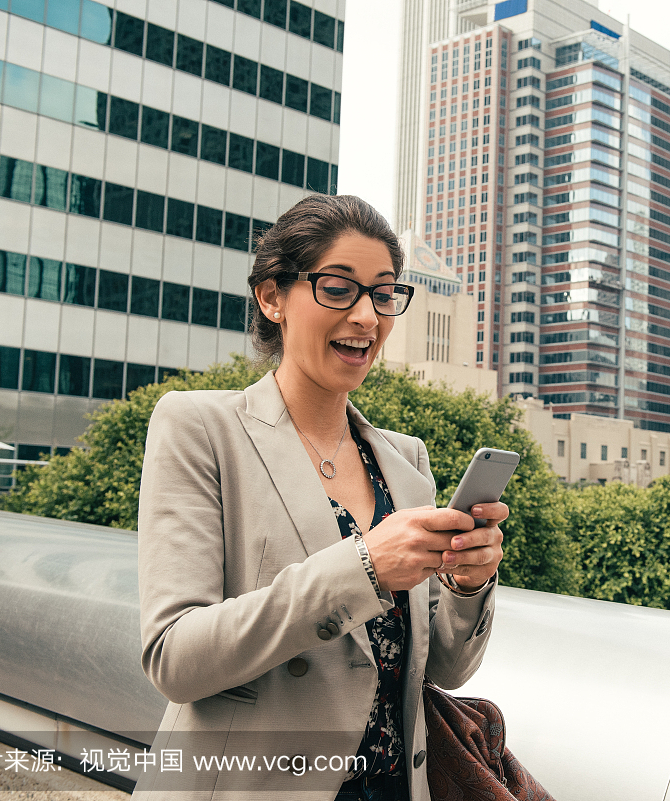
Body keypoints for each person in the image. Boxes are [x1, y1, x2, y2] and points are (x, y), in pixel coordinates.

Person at [133, 195, 505, 801]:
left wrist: (469, 582)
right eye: (338, 287)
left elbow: (442, 670)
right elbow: (175, 657)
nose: (366, 316)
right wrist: (363, 568)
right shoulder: (199, 427)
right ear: (272, 297)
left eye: (383, 295)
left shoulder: (404, 462)